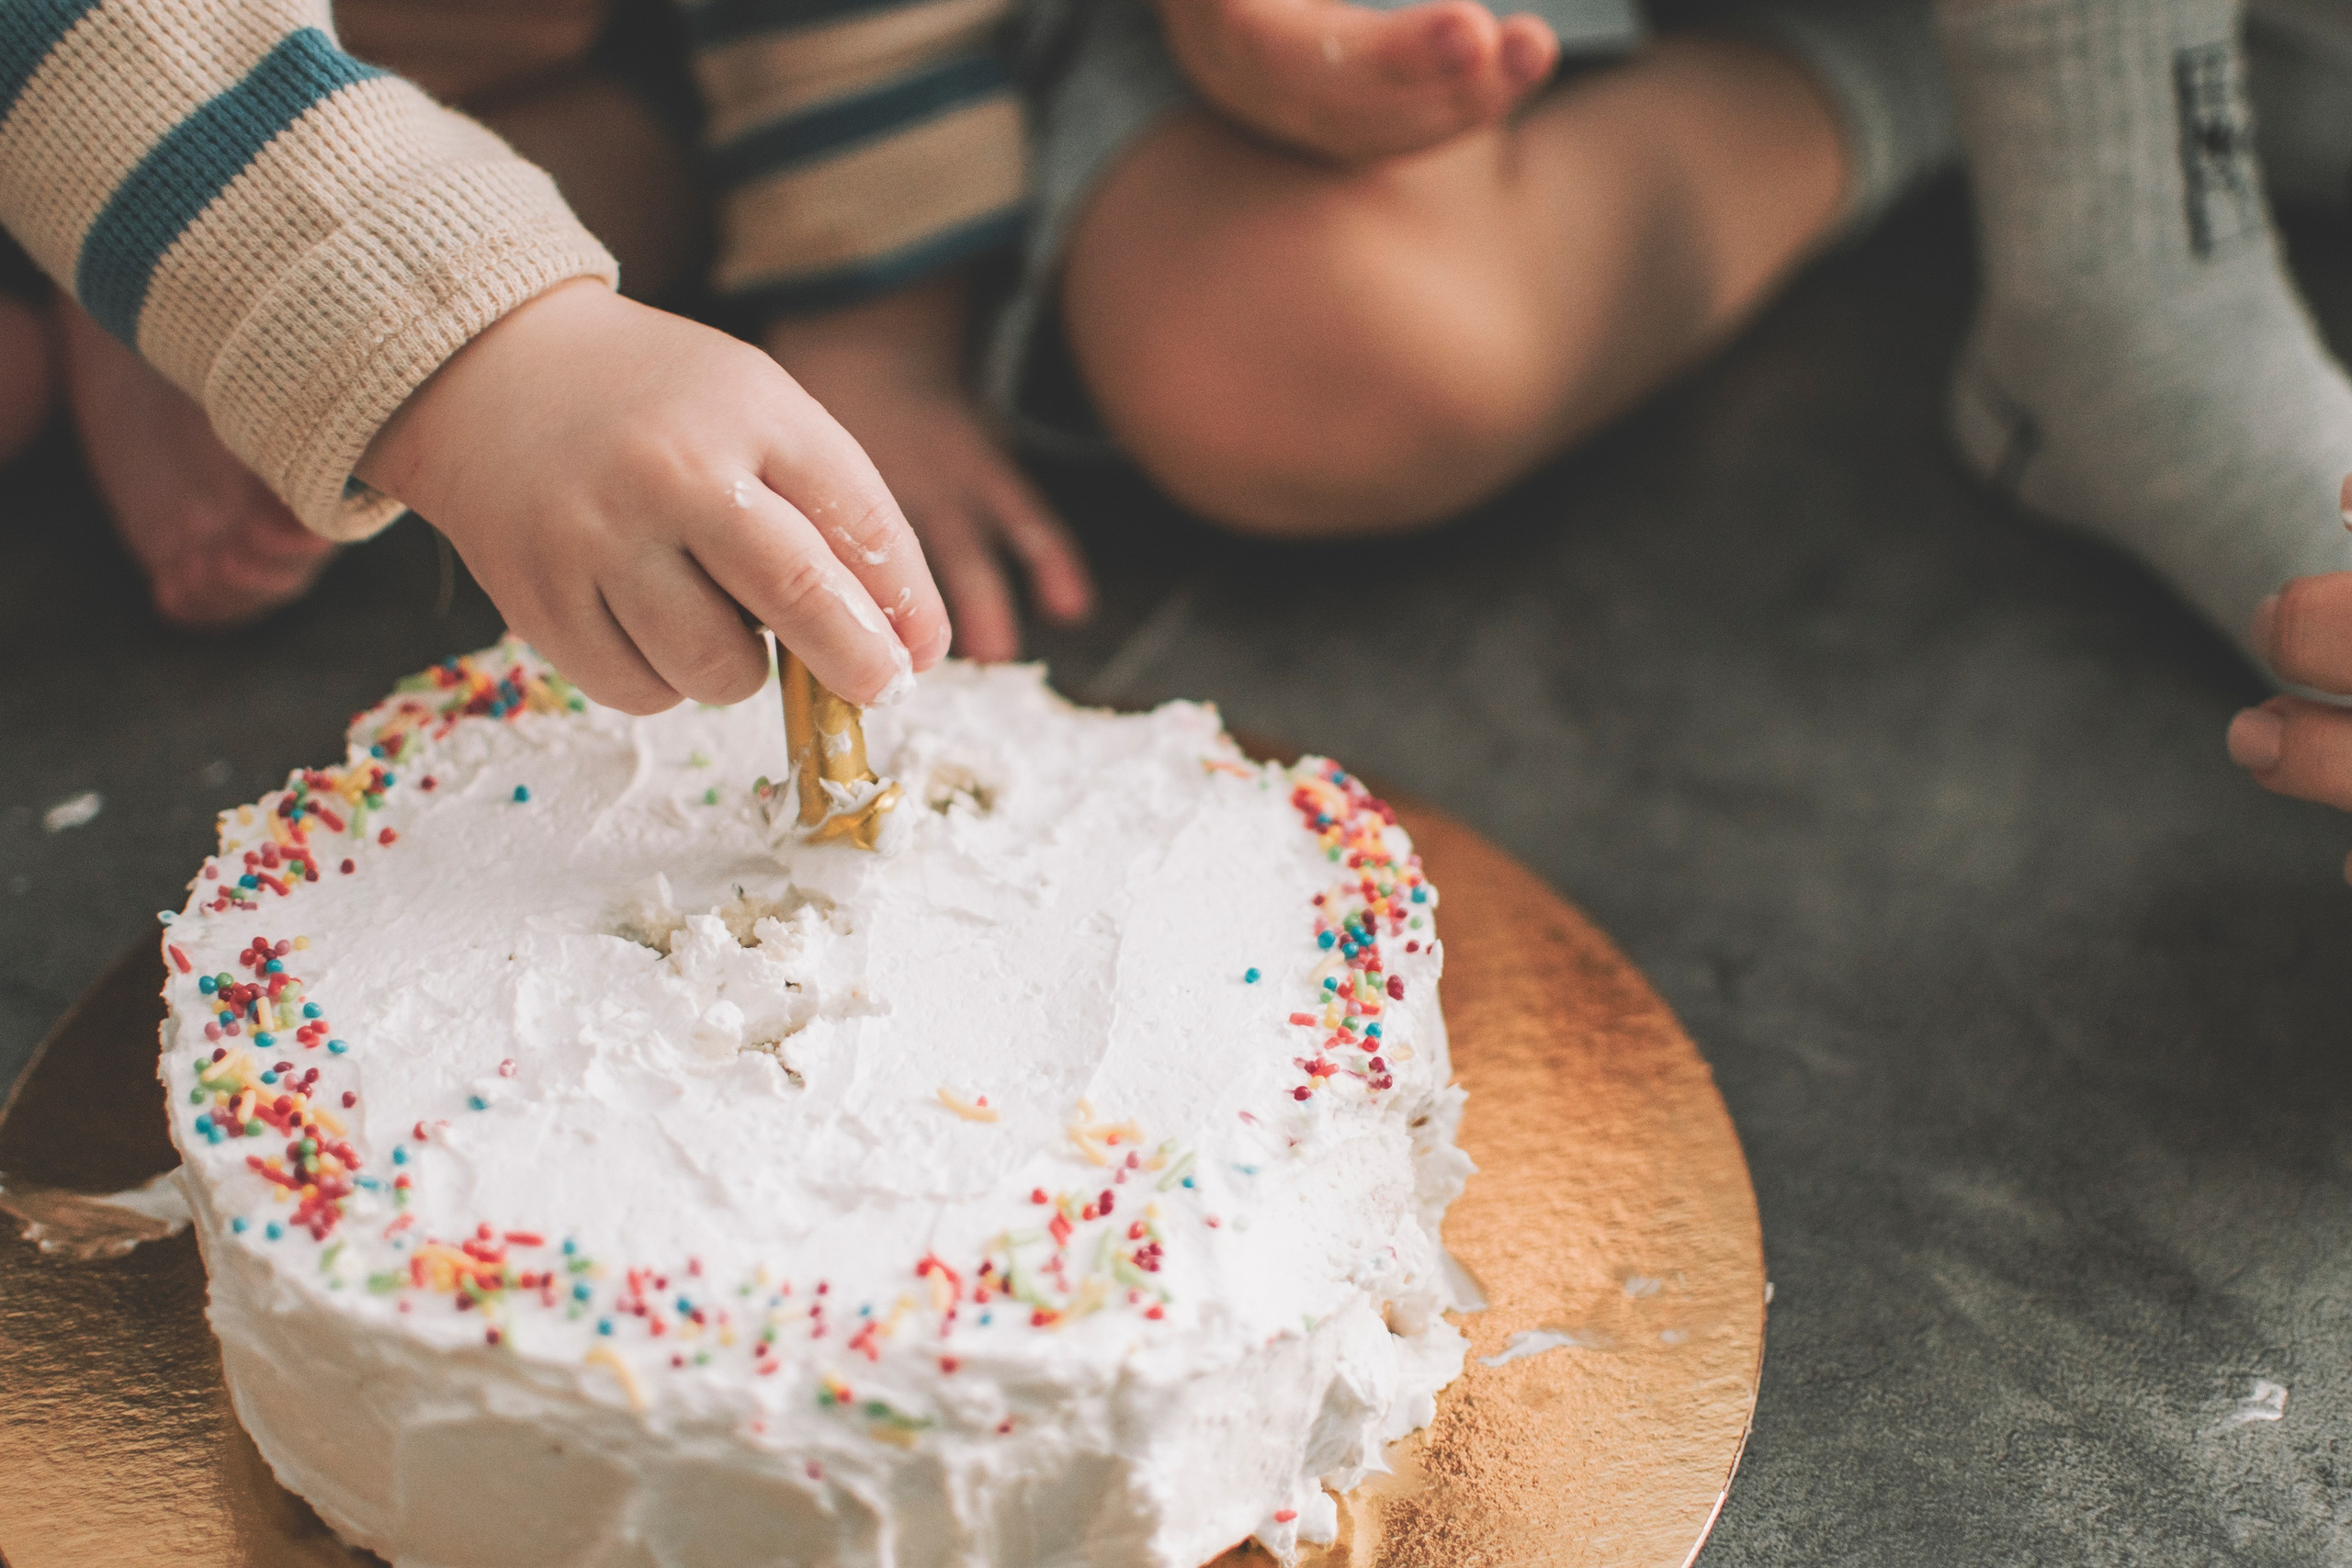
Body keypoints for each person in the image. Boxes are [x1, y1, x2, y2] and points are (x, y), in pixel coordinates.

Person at [0, 0, 960, 711]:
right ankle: (170, 254)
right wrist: (488, 361)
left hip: (503, 69)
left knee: (657, 158)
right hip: (127, 58)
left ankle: (172, 275)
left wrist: (868, 320)